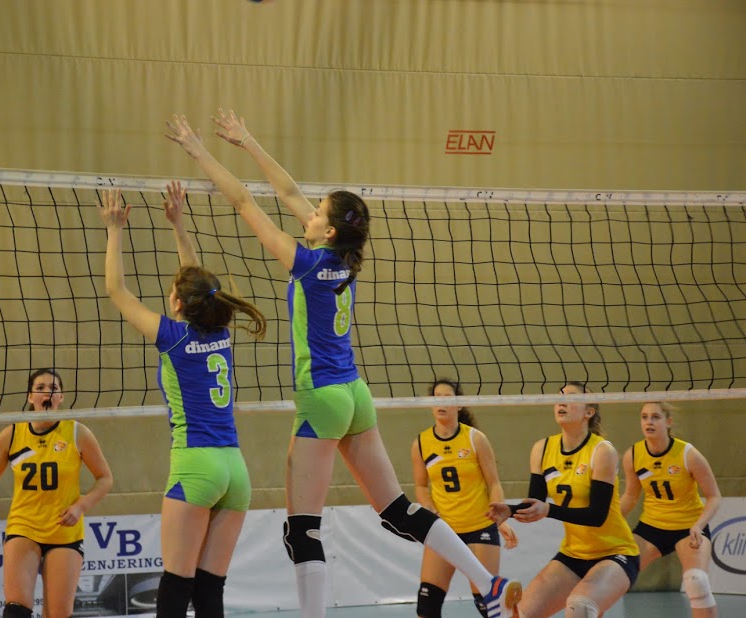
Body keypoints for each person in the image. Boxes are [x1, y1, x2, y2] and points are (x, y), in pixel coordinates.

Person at [165, 110, 521, 618]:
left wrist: (199, 151)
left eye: (316, 213)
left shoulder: (307, 263)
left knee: (302, 529)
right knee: (397, 508)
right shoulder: (345, 258)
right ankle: (488, 582)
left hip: (324, 398)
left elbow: (244, 202)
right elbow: (288, 191)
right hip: (355, 392)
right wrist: (247, 142)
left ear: (327, 230)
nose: (306, 212)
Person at [99, 181, 267, 618]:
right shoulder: (222, 334)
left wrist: (114, 229)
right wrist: (178, 224)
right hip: (235, 470)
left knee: (175, 586)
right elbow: (196, 280)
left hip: (196, 465)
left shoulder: (171, 337)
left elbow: (117, 291)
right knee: (210, 592)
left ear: (176, 302)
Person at [0, 368, 113, 618]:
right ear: (30, 396)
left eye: (53, 388)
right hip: (24, 527)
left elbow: (105, 478)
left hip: (64, 532)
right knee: (16, 609)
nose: (47, 392)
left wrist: (80, 506)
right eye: (40, 388)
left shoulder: (77, 432)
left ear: (61, 397)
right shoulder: (12, 435)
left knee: (59, 613)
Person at [488, 382, 640, 618]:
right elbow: (534, 504)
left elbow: (597, 516)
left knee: (580, 606)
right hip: (573, 555)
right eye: (559, 397)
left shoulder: (602, 451)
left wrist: (549, 509)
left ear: (589, 412)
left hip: (615, 553)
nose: (561, 402)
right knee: (518, 615)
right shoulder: (542, 449)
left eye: (570, 398)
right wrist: (510, 509)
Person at [411, 378, 518, 618]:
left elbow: (494, 483)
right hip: (444, 530)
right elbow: (420, 486)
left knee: (486, 603)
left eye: (447, 397)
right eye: (436, 398)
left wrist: (500, 519)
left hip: (479, 526)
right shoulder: (421, 443)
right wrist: (429, 507)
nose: (441, 403)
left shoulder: (475, 438)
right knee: (427, 602)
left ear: (460, 404)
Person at [620, 402, 721, 617]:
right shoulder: (633, 455)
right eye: (644, 417)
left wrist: (699, 525)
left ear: (668, 422)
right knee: (614, 575)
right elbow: (630, 495)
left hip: (689, 527)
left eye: (655, 417)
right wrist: (608, 522)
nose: (649, 422)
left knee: (697, 582)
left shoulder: (688, 454)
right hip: (651, 527)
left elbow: (714, 496)